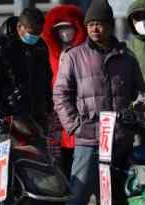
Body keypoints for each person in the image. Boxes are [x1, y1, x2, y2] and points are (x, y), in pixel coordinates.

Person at [53, 0, 145, 205]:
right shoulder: (74, 56)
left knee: (119, 203)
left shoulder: (126, 58)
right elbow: (60, 95)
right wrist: (74, 125)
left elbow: (142, 93)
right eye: (91, 24)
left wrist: (136, 113)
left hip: (120, 142)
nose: (95, 29)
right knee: (76, 200)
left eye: (100, 24)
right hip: (89, 142)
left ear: (109, 26)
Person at [0, 7, 52, 146]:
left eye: (39, 33)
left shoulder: (40, 47)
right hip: (7, 121)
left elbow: (46, 80)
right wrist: (3, 116)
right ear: (20, 27)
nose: (35, 37)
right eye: (32, 33)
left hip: (35, 120)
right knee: (9, 161)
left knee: (38, 162)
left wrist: (48, 108)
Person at [42, 4, 86, 177]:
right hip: (55, 111)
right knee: (57, 154)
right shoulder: (51, 53)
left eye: (68, 28)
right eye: (59, 29)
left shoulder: (84, 52)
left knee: (78, 150)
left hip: (77, 108)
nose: (64, 33)